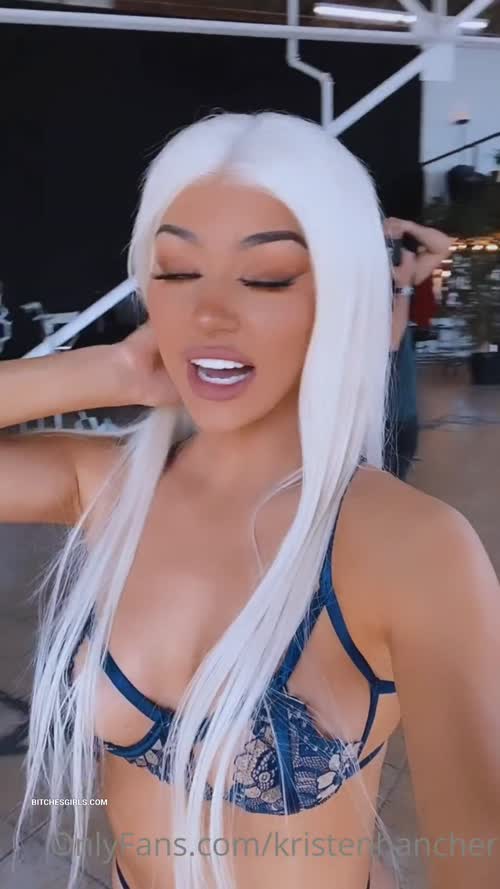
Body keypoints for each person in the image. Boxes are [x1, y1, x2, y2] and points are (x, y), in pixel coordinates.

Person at [2, 114, 498, 889]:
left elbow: (481, 853)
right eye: (176, 271)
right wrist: (111, 371)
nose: (210, 313)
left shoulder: (410, 547)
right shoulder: (108, 485)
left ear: (341, 294)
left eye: (266, 277)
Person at [384, 218, 452, 480]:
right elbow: (391, 342)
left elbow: (442, 246)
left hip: (400, 410)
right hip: (382, 414)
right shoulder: (358, 288)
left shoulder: (399, 274)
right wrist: (403, 288)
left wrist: (408, 227)